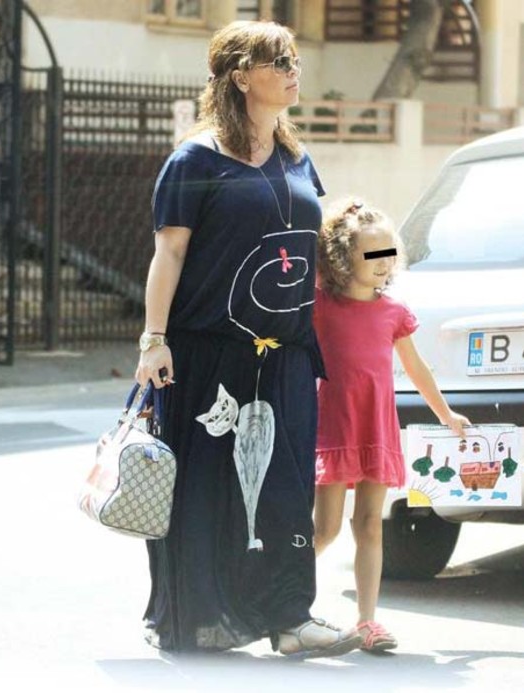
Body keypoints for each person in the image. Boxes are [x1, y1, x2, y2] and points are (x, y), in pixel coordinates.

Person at [134, 21, 361, 657]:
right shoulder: (195, 160)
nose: (294, 71)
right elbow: (169, 254)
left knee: (286, 491)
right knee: (208, 492)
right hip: (209, 352)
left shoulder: (296, 158)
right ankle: (199, 617)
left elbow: (310, 250)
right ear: (240, 77)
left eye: (294, 60)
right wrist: (154, 339)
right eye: (279, 62)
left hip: (286, 354)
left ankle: (291, 619)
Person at [312, 199, 470, 652]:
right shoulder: (320, 306)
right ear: (343, 259)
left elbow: (417, 368)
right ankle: (280, 600)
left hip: (376, 427)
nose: (384, 263)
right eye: (372, 254)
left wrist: (445, 414)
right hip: (336, 427)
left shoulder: (393, 312)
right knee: (326, 529)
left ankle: (367, 622)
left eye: (389, 253)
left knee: (370, 525)